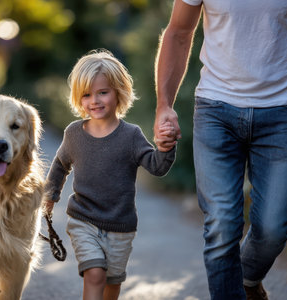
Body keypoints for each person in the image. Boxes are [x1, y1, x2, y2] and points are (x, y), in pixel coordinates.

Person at [154, 0, 287, 299]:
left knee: (274, 228)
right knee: (222, 224)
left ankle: (247, 280)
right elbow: (178, 32)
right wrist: (164, 106)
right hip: (216, 110)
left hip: (283, 110)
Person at [43, 49, 176, 300]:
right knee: (95, 274)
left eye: (103, 92)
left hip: (120, 226)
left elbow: (157, 166)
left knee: (112, 284)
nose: (94, 100)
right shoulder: (74, 133)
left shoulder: (131, 135)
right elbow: (60, 164)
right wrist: (51, 195)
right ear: (78, 98)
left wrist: (166, 147)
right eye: (86, 95)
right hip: (83, 219)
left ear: (118, 93)